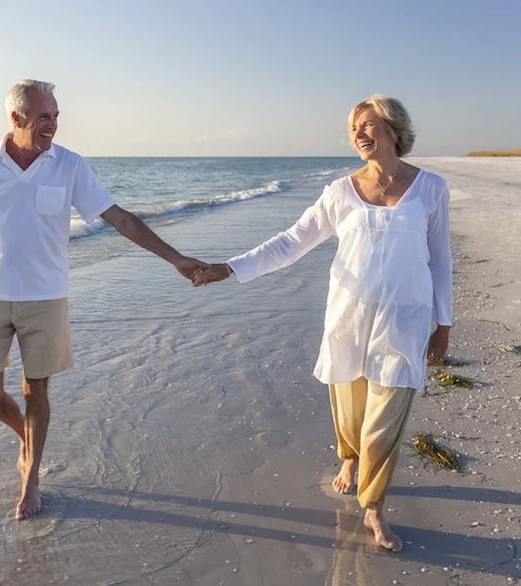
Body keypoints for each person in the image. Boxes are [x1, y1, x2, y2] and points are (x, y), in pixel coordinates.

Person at [0, 79, 206, 521]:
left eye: (56, 116)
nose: (53, 125)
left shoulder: (69, 165)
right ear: (16, 119)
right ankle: (26, 437)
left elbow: (121, 220)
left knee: (36, 389)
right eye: (44, 117)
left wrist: (174, 258)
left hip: (46, 299)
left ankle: (31, 478)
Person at [193, 95, 452, 552]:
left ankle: (373, 507)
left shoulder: (431, 188)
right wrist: (231, 267)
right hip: (349, 317)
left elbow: (440, 261)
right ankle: (348, 459)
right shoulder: (339, 191)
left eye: (367, 125)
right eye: (353, 127)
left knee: (385, 417)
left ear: (393, 129)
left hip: (405, 318)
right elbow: (293, 240)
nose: (358, 134)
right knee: (350, 411)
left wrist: (443, 321)